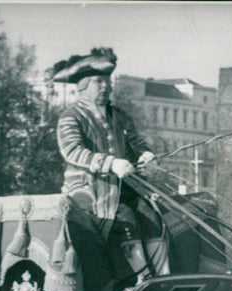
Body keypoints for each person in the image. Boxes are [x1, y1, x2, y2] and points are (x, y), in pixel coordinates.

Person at [51, 47, 168, 276]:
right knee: (126, 219)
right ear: (83, 85)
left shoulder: (120, 115)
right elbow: (73, 151)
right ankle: (140, 278)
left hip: (124, 186)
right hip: (88, 189)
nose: (106, 86)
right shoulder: (71, 117)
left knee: (153, 216)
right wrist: (111, 163)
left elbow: (137, 144)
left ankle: (164, 276)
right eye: (99, 82)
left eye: (108, 81)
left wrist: (146, 155)